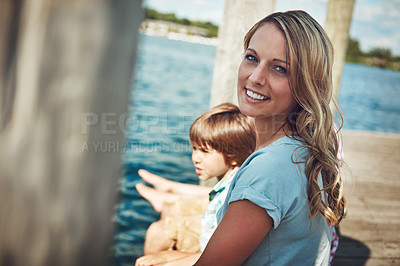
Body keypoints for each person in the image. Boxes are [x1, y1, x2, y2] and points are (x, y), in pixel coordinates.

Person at [193, 10, 346, 265]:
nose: (255, 77)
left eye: (279, 68)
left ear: (307, 83)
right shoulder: (301, 149)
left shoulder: (270, 169)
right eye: (252, 58)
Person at [135, 103, 257, 265]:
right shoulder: (234, 177)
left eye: (205, 152)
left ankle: (168, 193)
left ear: (234, 155)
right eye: (194, 149)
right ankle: (168, 191)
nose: (195, 158)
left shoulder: (236, 195)